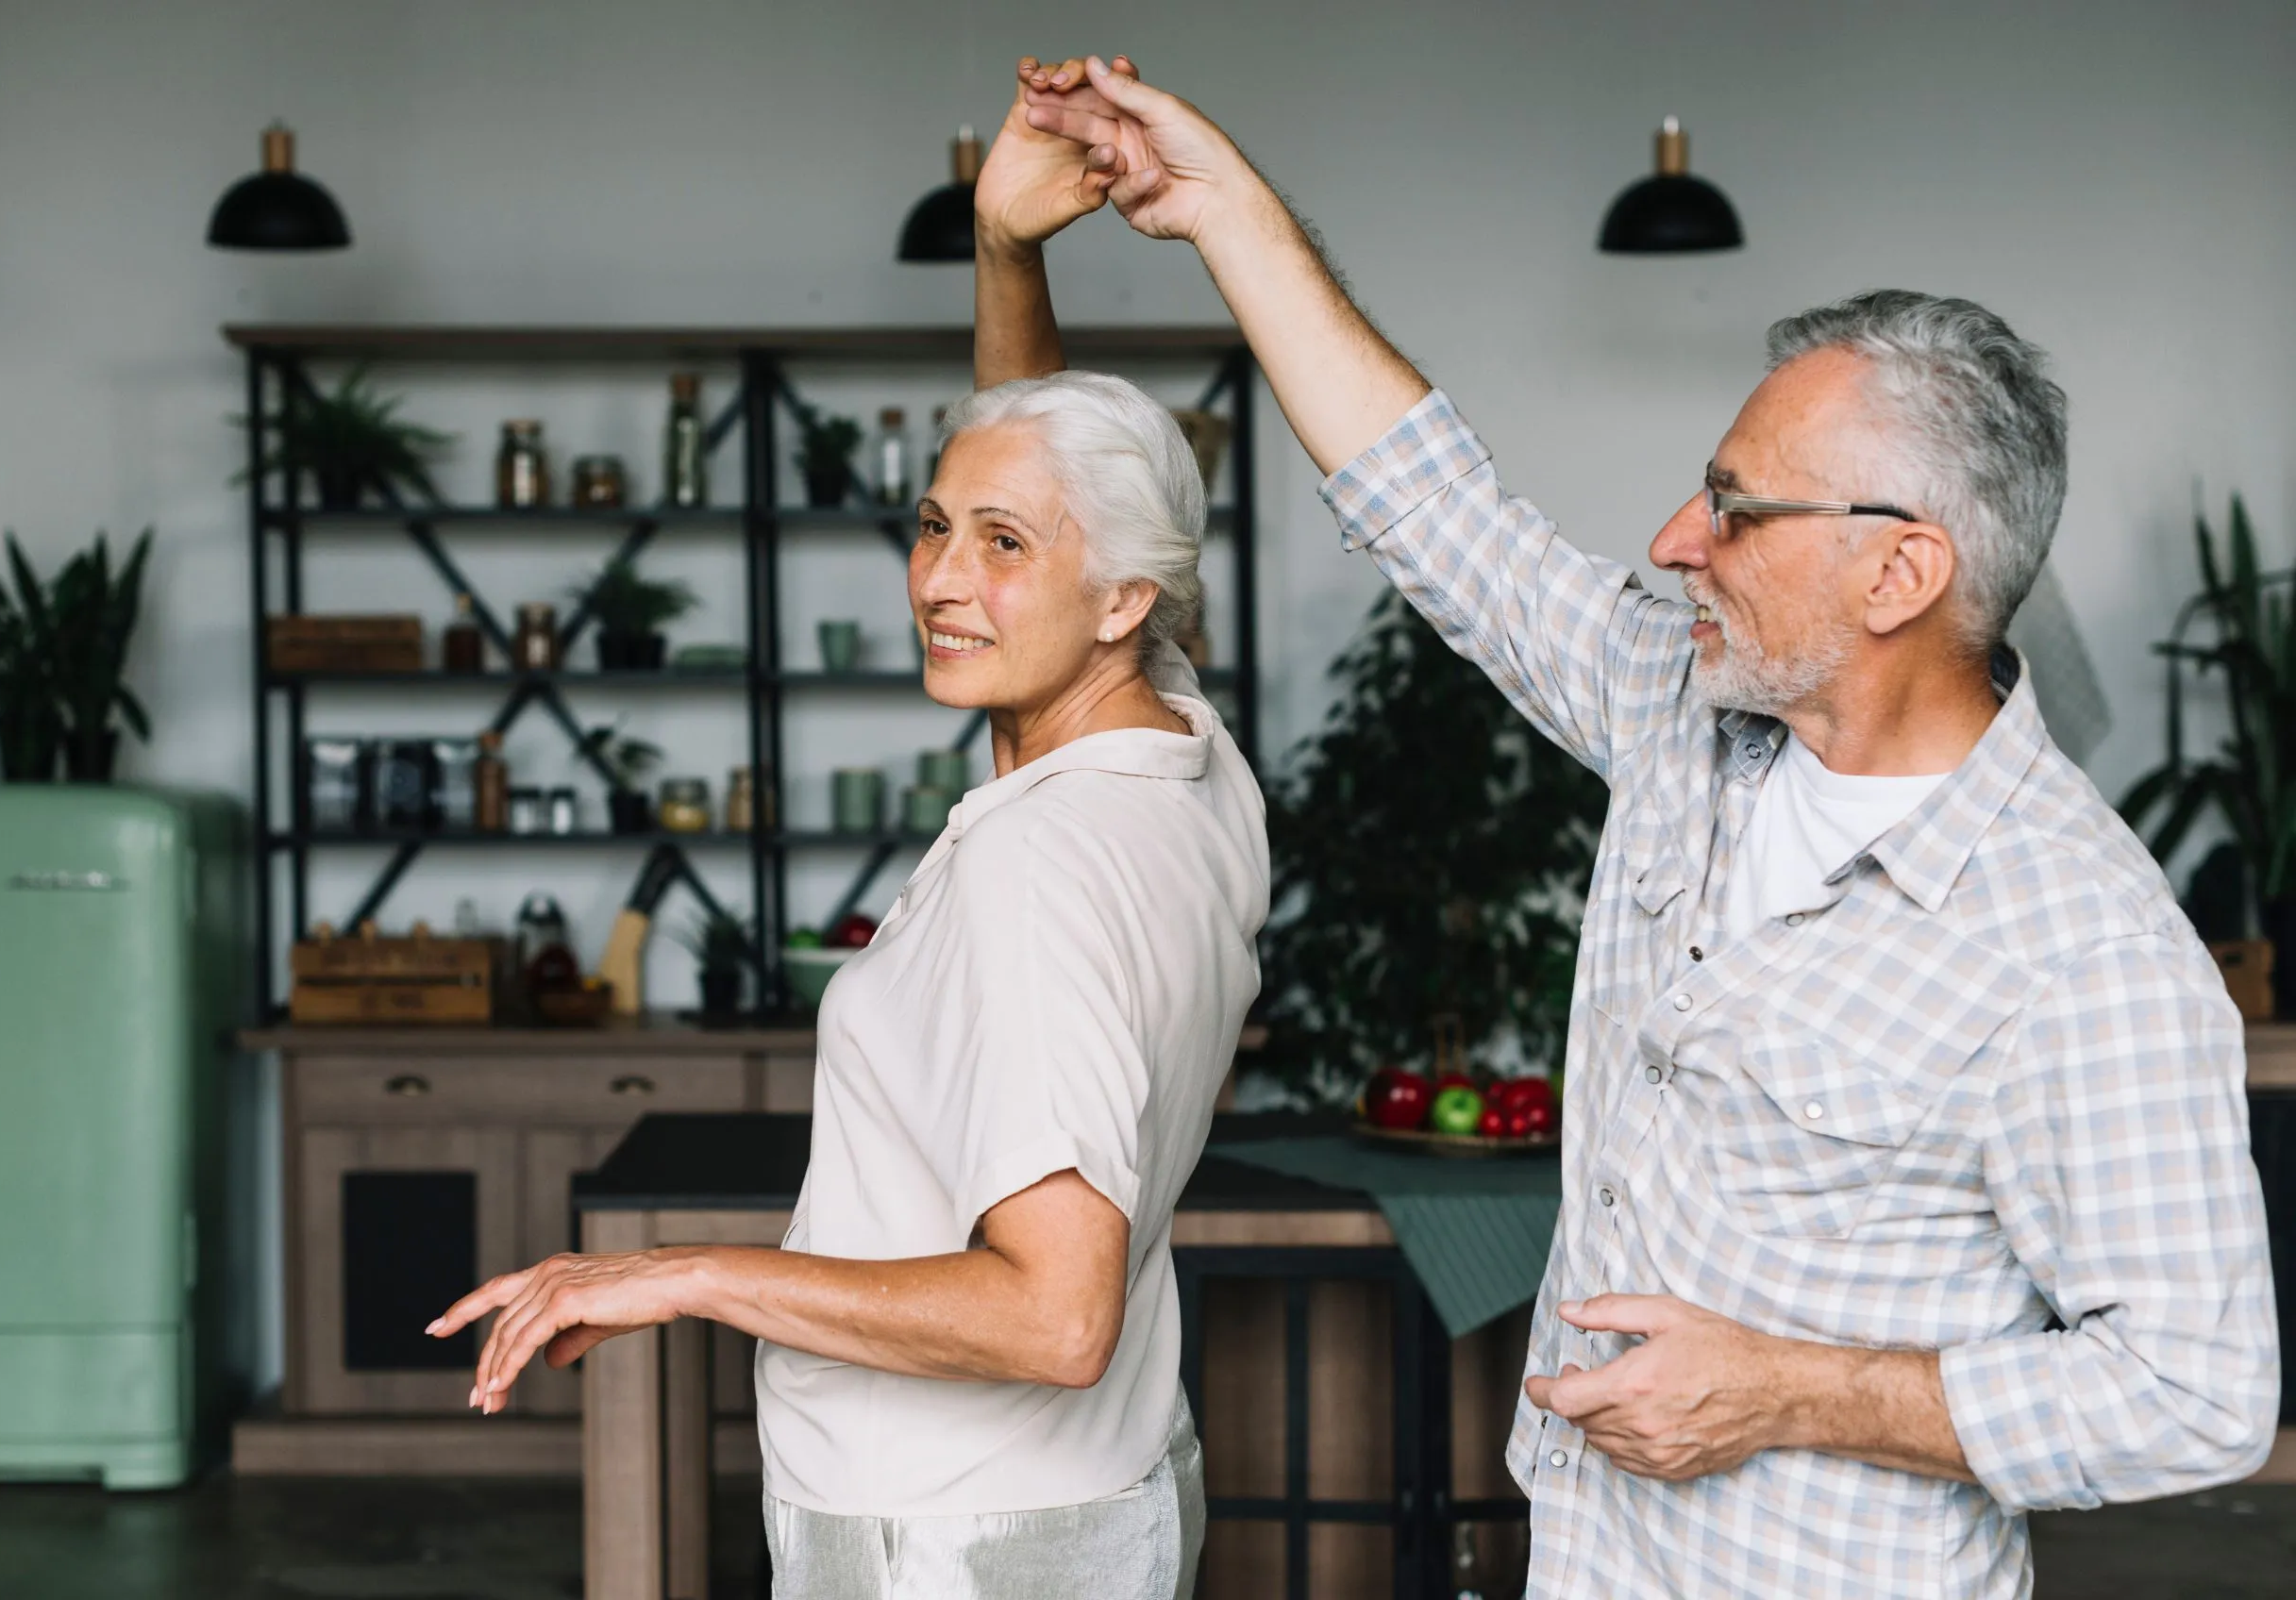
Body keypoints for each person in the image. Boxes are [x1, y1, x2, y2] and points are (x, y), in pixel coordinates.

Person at [977, 52, 2280, 1598]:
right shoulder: (1685, 714)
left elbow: (2197, 1391)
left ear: (1899, 575)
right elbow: (1434, 502)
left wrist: (1793, 1387)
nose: (1675, 543)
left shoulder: (2082, 943)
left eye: (1736, 507)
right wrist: (1220, 209)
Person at [428, 366, 1266, 1598]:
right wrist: (1004, 243)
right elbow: (1049, 455)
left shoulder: (1035, 864)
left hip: (951, 1541)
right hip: (1093, 1495)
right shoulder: (1191, 765)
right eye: (934, 525)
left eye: (1002, 544)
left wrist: (682, 1272)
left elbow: (1055, 1318)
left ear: (1124, 598)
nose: (937, 579)